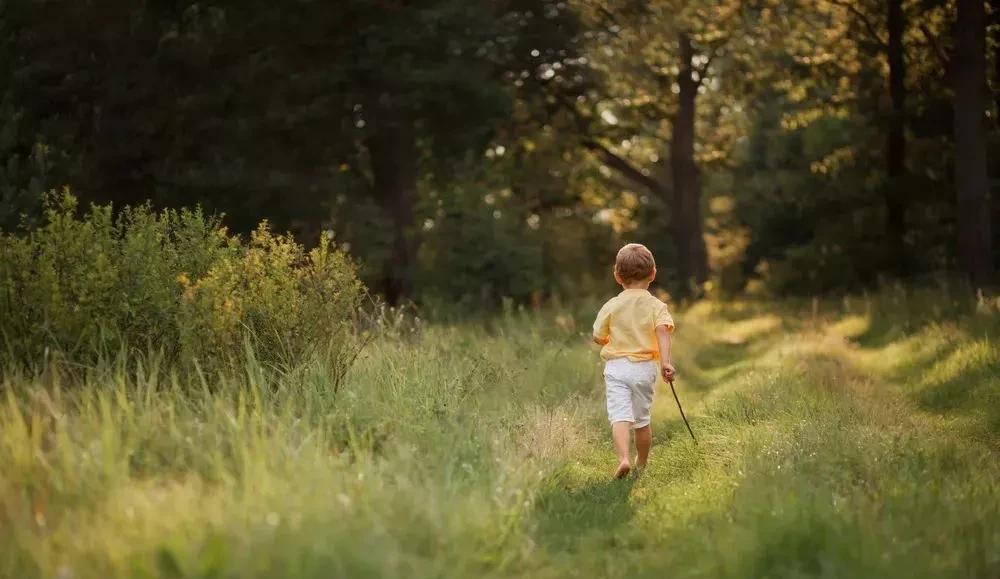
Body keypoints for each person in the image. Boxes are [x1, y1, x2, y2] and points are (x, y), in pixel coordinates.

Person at [592, 243, 676, 479]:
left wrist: (608, 338)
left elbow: (598, 337)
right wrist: (665, 363)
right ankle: (642, 463)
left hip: (617, 368)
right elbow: (662, 333)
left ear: (617, 276)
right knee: (641, 421)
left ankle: (623, 459)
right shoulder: (656, 306)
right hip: (644, 369)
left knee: (619, 417)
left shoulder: (612, 305)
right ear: (653, 273)